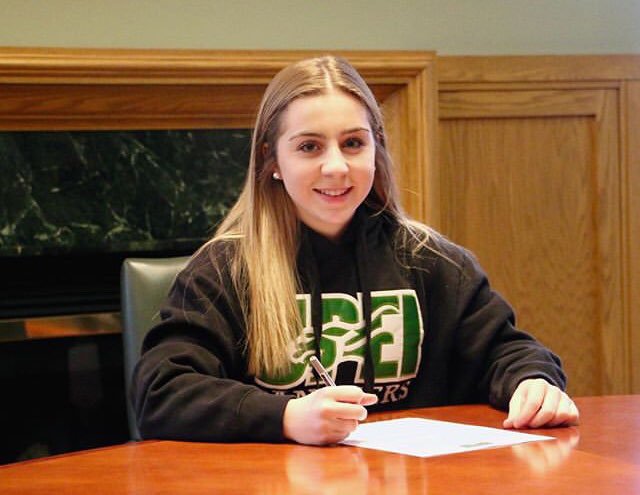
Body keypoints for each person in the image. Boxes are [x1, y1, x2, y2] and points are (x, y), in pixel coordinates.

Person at [131, 55, 579, 445]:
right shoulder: (223, 270)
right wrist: (284, 417)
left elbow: (509, 351)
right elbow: (161, 391)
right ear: (272, 162)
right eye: (309, 146)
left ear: (376, 149)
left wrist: (533, 382)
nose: (335, 166)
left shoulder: (433, 261)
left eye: (353, 143)